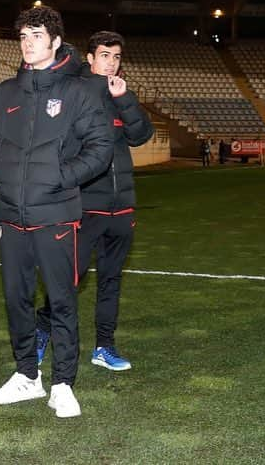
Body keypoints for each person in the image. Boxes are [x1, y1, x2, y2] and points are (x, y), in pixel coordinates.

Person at [0, 5, 112, 419]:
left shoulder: (80, 92)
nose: (27, 43)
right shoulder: (6, 92)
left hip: (56, 213)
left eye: (35, 35)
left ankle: (63, 383)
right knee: (16, 299)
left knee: (60, 301)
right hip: (10, 215)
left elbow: (101, 149)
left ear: (55, 42)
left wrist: (59, 176)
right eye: (22, 36)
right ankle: (27, 376)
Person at [34, 31, 154, 373]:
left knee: (111, 280)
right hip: (86, 205)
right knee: (70, 279)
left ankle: (105, 345)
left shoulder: (120, 93)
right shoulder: (77, 92)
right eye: (104, 55)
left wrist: (125, 98)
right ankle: (43, 330)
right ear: (90, 58)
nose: (111, 63)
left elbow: (141, 135)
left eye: (116, 57)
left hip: (123, 205)